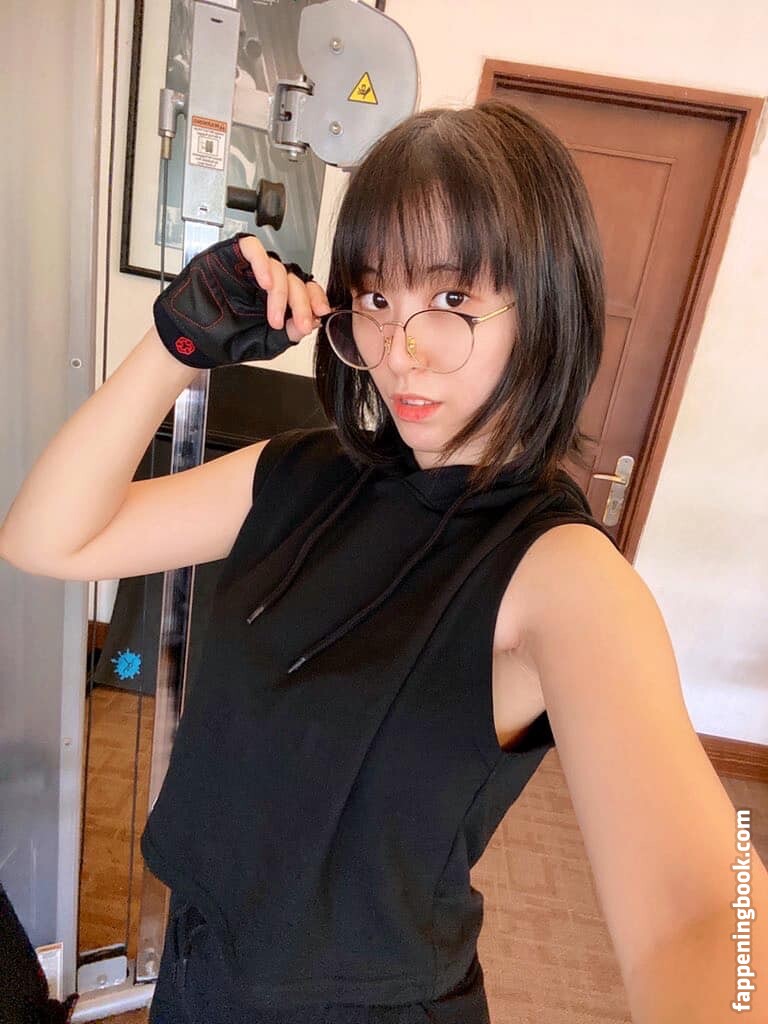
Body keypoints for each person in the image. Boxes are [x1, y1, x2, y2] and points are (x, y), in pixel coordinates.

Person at [1, 99, 766, 1024]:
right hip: (202, 975)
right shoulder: (303, 474)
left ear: (544, 305)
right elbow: (46, 537)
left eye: (451, 301)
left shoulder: (561, 572)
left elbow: (704, 911)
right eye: (374, 299)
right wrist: (176, 348)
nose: (401, 354)